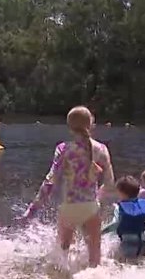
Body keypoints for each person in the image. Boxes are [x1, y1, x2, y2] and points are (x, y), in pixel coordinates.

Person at [23, 106, 115, 268]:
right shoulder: (101, 149)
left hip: (69, 208)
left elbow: (50, 182)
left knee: (61, 259)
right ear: (91, 124)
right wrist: (97, 199)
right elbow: (109, 184)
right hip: (91, 208)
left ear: (69, 126)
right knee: (95, 262)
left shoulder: (63, 149)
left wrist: (33, 209)